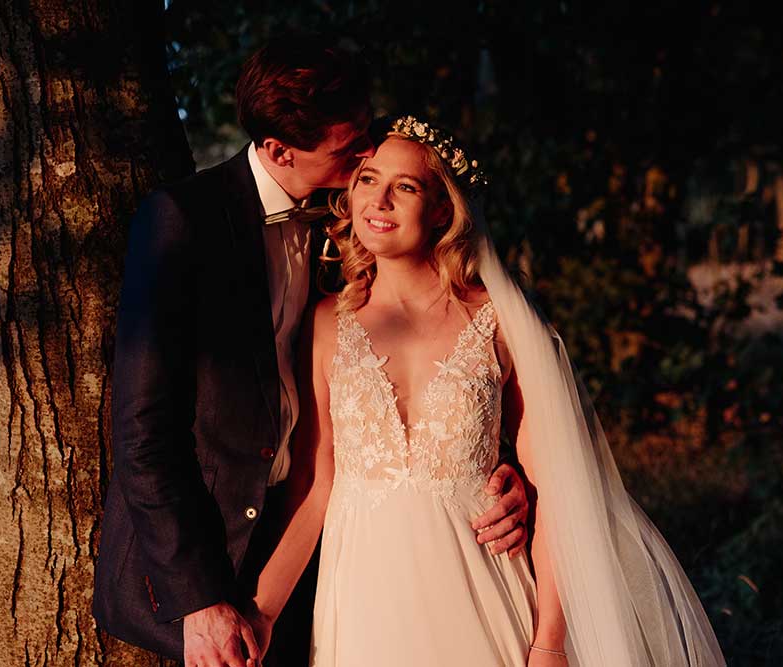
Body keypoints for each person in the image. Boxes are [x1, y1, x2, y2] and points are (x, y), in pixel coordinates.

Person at [91, 39, 531, 667]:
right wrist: (202, 600)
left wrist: (499, 468)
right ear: (279, 151)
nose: (365, 158)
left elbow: (443, 371)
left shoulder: (356, 213)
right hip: (210, 556)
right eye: (349, 149)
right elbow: (141, 433)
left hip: (335, 547)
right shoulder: (183, 223)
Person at [242, 117, 728, 667]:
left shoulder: (499, 320)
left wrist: (549, 641)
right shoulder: (328, 322)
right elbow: (313, 483)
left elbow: (560, 493)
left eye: (405, 186)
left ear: (443, 210)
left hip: (486, 590)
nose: (380, 200)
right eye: (367, 179)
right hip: (364, 600)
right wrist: (261, 612)